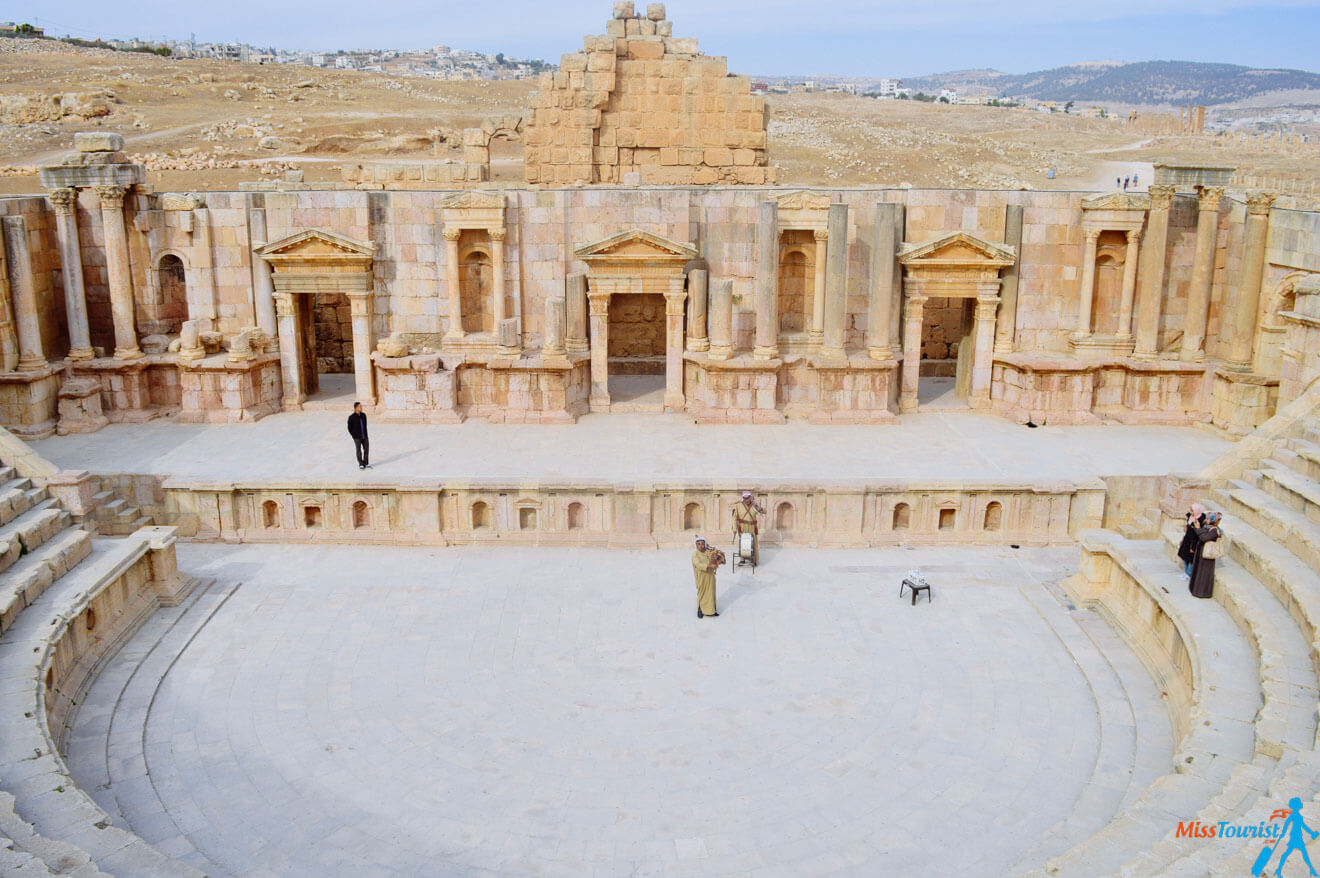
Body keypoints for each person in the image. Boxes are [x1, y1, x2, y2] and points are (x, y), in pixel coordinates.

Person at [1273, 796, 1319, 877]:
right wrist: (1283, 833)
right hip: (1295, 836)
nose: (1301, 803)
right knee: (1301, 854)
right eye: (1300, 803)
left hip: (1297, 836)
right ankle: (1311, 870)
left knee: (1295, 853)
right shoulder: (1294, 814)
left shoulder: (1297, 815)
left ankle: (1278, 870)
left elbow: (1303, 825)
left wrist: (1311, 833)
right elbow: (1287, 823)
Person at [1189, 511, 1223, 599]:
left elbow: (1204, 537)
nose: (1206, 520)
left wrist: (1198, 529)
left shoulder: (1215, 530)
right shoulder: (1207, 527)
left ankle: (1202, 592)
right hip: (1201, 552)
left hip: (1207, 555)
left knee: (1204, 574)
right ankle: (1195, 589)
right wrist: (1198, 527)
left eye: (1208, 518)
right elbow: (1201, 534)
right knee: (1198, 571)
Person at [692, 536, 724, 618]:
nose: (700, 546)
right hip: (701, 577)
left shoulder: (708, 552)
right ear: (696, 545)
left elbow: (716, 556)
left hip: (710, 576)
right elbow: (698, 564)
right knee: (702, 593)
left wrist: (717, 557)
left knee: (711, 593)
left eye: (702, 544)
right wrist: (709, 566)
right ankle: (700, 609)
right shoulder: (695, 555)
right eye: (698, 544)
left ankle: (712, 610)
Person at [731, 491, 765, 566]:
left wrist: (760, 509)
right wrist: (734, 528)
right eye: (745, 498)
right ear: (743, 498)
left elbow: (764, 512)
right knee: (742, 542)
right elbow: (734, 517)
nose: (747, 500)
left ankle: (754, 560)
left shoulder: (754, 505)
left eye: (748, 498)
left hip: (752, 527)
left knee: (753, 543)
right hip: (742, 526)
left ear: (750, 497)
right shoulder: (738, 506)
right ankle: (742, 559)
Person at [1177, 502, 1207, 576]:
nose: (1191, 512)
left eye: (1192, 511)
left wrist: (1193, 547)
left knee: (1191, 559)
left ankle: (1189, 573)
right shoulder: (1191, 517)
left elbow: (1197, 534)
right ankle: (1186, 572)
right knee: (1185, 557)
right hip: (1187, 540)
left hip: (1193, 543)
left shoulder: (1200, 520)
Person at [347, 402, 369, 470]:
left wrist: (365, 434)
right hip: (357, 437)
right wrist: (354, 435)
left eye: (361, 406)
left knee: (366, 449)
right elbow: (349, 428)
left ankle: (365, 462)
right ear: (356, 408)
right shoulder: (351, 417)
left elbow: (365, 425)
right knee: (358, 450)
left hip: (364, 436)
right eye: (360, 406)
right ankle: (361, 463)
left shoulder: (363, 415)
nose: (361, 408)